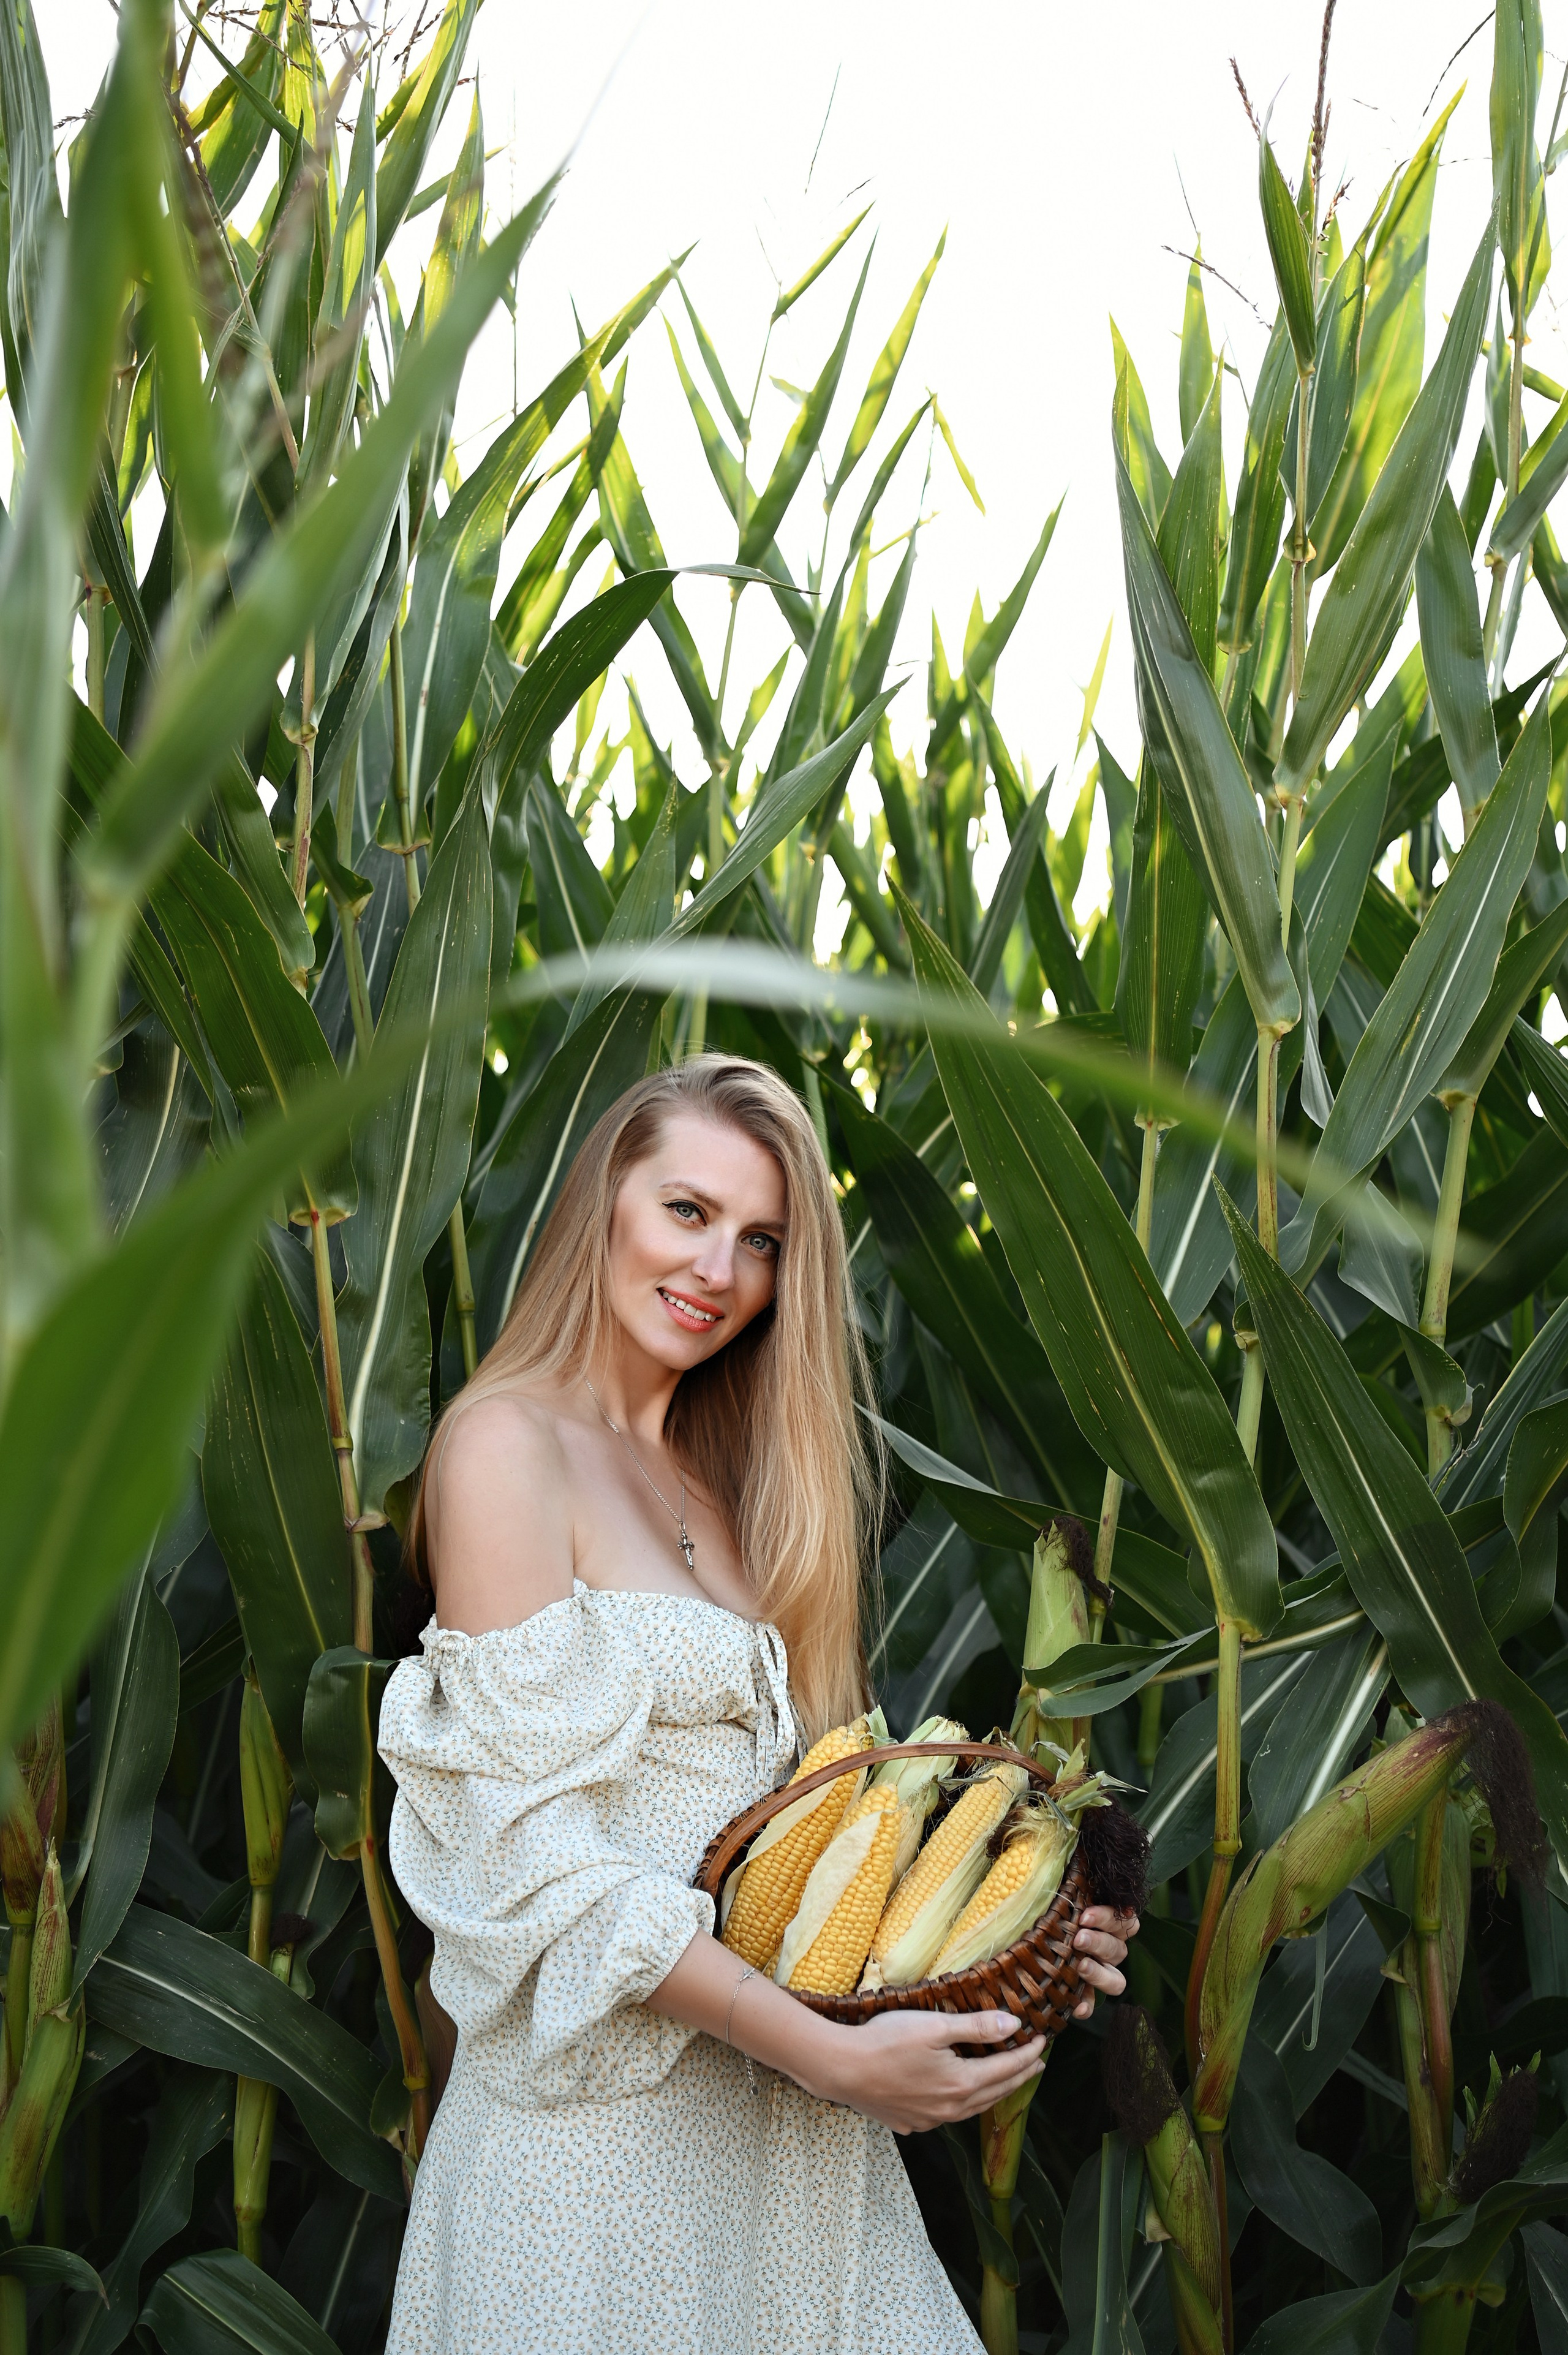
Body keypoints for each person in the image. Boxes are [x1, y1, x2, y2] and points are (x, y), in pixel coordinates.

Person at [379, 1054, 1138, 2355]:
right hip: (596, 2164)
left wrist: (1008, 1936)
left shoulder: (728, 1498)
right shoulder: (505, 1446)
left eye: (761, 1239)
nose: (717, 1267)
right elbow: (529, 1850)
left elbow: (798, 1862)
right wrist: (817, 2050)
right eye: (686, 1210)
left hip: (786, 2151)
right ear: (604, 1203)